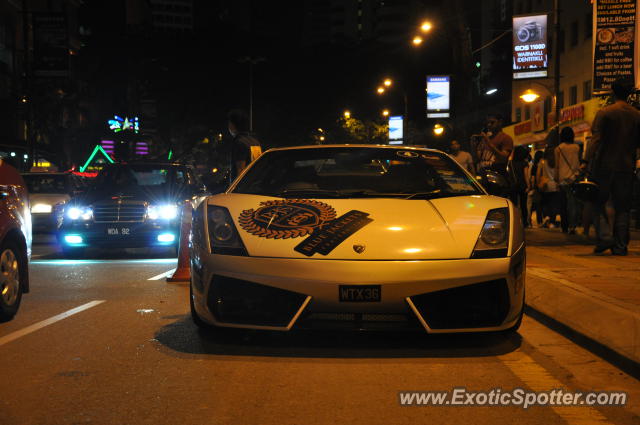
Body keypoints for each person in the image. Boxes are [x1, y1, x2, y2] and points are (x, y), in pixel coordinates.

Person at [586, 78, 640, 255]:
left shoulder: (605, 113)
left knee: (597, 201)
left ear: (612, 92)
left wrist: (585, 160)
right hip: (626, 166)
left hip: (604, 165)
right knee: (622, 206)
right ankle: (620, 245)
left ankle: (605, 236)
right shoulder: (636, 115)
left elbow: (596, 139)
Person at [554, 126, 582, 234]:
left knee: (563, 204)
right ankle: (573, 226)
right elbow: (578, 162)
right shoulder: (577, 147)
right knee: (573, 203)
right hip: (574, 178)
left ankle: (564, 226)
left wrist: (556, 178)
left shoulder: (559, 149)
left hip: (562, 179)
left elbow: (557, 165)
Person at [228, 109, 262, 183]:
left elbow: (240, 170)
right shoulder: (255, 141)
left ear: (233, 125)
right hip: (255, 183)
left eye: (229, 123)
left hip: (243, 188)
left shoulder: (239, 142)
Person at [536, 145, 561, 228]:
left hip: (545, 185)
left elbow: (538, 174)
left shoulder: (542, 162)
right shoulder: (557, 162)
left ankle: (546, 217)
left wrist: (538, 183)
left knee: (545, 203)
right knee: (553, 204)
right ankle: (552, 222)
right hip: (555, 185)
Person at [510, 145, 531, 227]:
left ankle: (515, 222)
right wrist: (528, 185)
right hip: (522, 186)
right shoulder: (524, 163)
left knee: (514, 205)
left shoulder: (511, 163)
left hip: (513, 185)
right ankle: (525, 222)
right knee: (523, 205)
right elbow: (526, 175)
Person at [528, 150, 544, 227]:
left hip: (535, 186)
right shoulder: (539, 165)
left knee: (534, 204)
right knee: (538, 205)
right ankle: (539, 221)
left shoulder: (534, 166)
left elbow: (531, 177)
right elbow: (534, 177)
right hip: (538, 187)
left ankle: (529, 220)